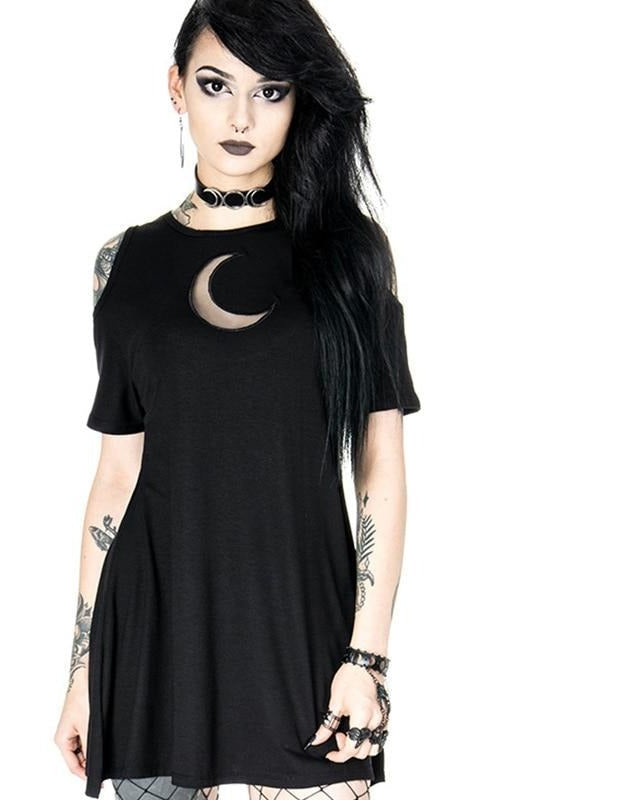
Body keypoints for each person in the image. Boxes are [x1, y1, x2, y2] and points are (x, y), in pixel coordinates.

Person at [54, 2, 421, 800]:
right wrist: (82, 673)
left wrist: (366, 657)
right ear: (176, 88)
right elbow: (116, 478)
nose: (242, 117)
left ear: (300, 100)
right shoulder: (123, 263)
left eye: (271, 90)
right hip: (152, 646)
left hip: (299, 637)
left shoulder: (350, 256)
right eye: (216, 85)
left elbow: (380, 465)